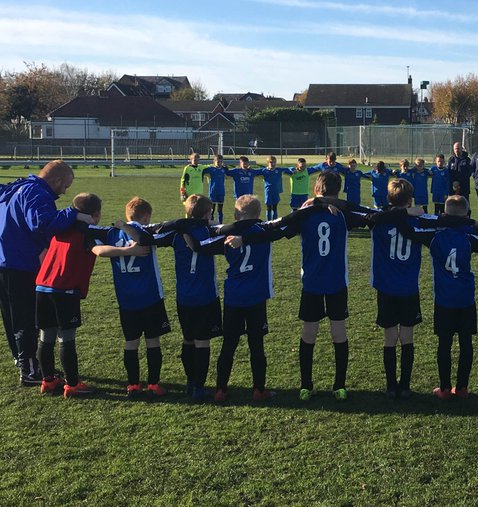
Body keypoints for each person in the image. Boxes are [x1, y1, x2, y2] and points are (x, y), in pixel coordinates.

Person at [0, 159, 88, 385]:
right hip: (19, 263)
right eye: (65, 186)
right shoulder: (36, 193)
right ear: (57, 180)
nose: (64, 192)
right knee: (25, 316)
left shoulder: (21, 187)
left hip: (2, 259)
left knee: (13, 316)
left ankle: (25, 362)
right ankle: (29, 369)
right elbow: (44, 223)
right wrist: (73, 214)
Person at [34, 192, 144, 398]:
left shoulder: (61, 225)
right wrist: (129, 251)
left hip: (42, 285)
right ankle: (72, 385)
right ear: (96, 214)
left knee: (46, 336)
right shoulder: (87, 232)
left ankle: (48, 381)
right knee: (66, 338)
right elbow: (100, 251)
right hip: (65, 290)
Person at [281, 171, 367, 400]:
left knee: (309, 333)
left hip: (311, 283)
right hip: (337, 282)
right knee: (338, 332)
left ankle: (306, 386)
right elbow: (367, 213)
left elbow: (283, 226)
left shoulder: (304, 215)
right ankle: (339, 385)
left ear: (316, 189)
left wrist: (310, 205)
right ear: (338, 191)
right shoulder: (344, 215)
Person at [196, 195, 286, 402]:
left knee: (229, 344)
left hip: (234, 297)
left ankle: (220, 389)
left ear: (236, 215)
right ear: (259, 214)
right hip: (256, 296)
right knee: (257, 345)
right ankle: (258, 389)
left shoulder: (227, 235)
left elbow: (202, 245)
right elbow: (286, 228)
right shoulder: (264, 232)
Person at [401, 194, 478, 400]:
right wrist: (475, 224)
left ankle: (445, 388)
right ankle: (463, 387)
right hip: (466, 298)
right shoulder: (471, 235)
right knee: (466, 342)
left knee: (445, 343)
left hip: (444, 299)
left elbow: (409, 229)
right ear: (467, 214)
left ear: (443, 214)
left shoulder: (434, 235)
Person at [100, 196, 171, 398]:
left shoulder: (112, 234)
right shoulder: (145, 232)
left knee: (131, 342)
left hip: (126, 299)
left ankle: (132, 385)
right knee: (152, 341)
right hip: (150, 296)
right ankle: (153, 384)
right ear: (147, 216)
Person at [154, 195, 223, 401]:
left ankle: (191, 381)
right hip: (206, 296)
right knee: (203, 342)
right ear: (207, 214)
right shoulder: (209, 231)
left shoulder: (176, 234)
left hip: (184, 297)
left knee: (188, 339)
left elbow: (151, 236)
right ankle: (199, 388)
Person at [368, 177, 424, 398]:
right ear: (410, 200)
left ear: (388, 198)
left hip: (386, 287)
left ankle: (391, 386)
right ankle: (406, 386)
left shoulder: (379, 222)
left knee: (389, 338)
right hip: (409, 287)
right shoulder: (419, 221)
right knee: (407, 337)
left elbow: (369, 216)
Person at [257, 156, 293, 220]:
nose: (272, 164)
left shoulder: (278, 170)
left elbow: (288, 169)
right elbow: (254, 172)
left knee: (275, 207)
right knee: (268, 208)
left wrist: (293, 169)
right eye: (271, 162)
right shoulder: (264, 171)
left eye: (274, 162)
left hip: (276, 192)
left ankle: (274, 221)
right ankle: (268, 222)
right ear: (267, 163)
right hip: (268, 192)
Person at [204, 153, 228, 223]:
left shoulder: (224, 170)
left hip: (221, 192)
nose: (219, 163)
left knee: (220, 210)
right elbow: (202, 169)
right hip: (213, 192)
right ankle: (211, 223)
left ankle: (220, 224)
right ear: (214, 162)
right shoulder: (211, 169)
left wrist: (226, 168)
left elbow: (228, 172)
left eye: (220, 161)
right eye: (217, 161)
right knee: (212, 210)